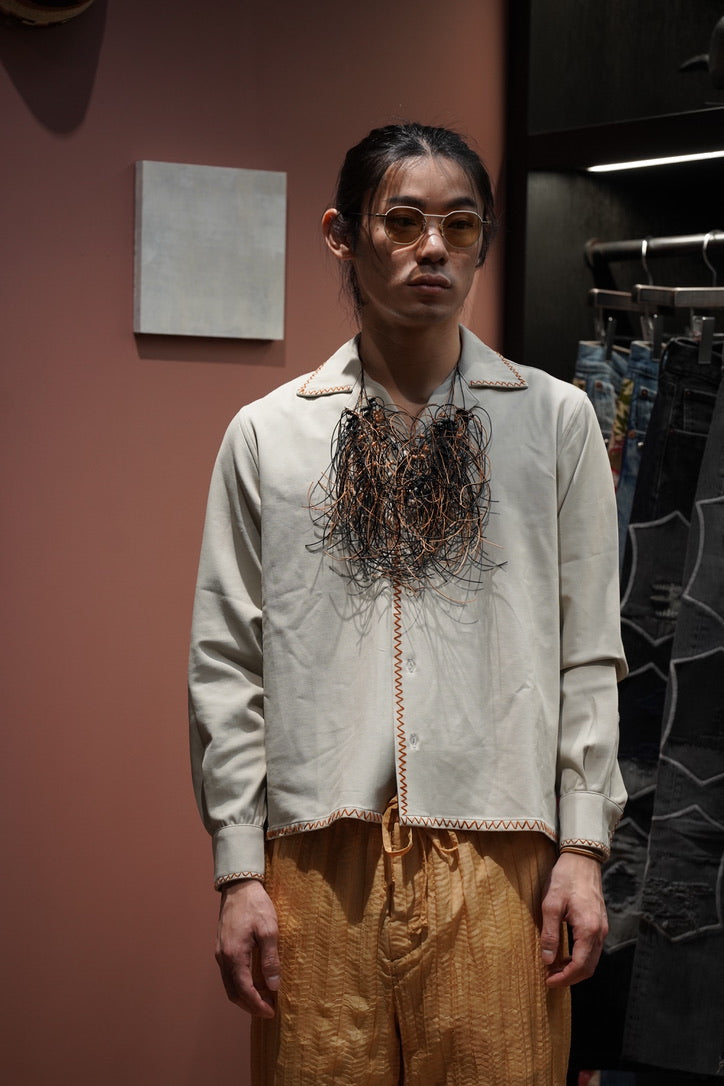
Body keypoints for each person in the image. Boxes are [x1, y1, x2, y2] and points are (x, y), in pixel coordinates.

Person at [189, 122, 627, 1086]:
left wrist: (584, 849)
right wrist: (238, 868)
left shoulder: (555, 422)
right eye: (404, 221)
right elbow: (227, 662)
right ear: (343, 234)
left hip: (504, 860)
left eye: (461, 225)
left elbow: (590, 651)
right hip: (316, 864)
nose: (434, 247)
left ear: (483, 243)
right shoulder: (269, 435)